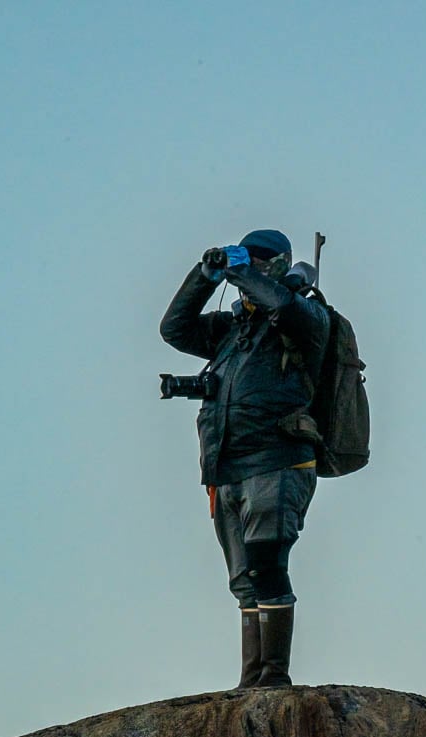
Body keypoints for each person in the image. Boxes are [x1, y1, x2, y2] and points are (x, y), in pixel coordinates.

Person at [160, 229, 330, 688]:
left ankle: (274, 677)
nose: (250, 267)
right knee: (243, 581)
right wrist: (204, 276)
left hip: (278, 460)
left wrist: (239, 272)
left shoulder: (307, 316)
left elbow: (282, 306)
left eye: (260, 260)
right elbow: (173, 329)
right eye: (245, 259)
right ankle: (251, 679)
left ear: (279, 264)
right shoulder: (230, 332)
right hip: (225, 466)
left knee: (268, 565)